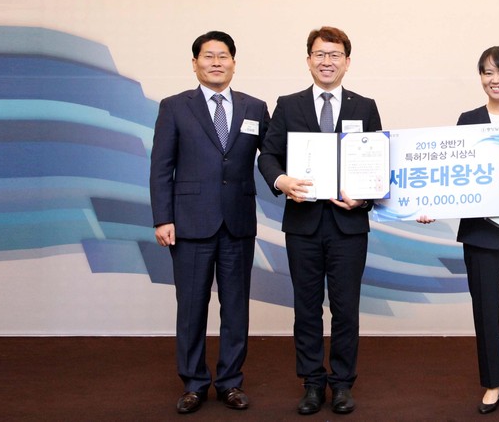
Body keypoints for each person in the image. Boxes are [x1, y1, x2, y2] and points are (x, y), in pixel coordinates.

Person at [257, 26, 382, 415]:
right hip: (303, 225)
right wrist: (281, 181)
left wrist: (364, 197)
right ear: (309, 59)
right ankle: (312, 383)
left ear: (347, 61)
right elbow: (268, 155)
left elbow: (378, 162)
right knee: (306, 308)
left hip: (349, 226)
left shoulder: (365, 107)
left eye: (335, 55)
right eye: (320, 54)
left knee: (346, 309)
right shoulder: (288, 104)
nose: (327, 61)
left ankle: (342, 384)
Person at [418, 46, 499, 417]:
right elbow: (452, 173)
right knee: (485, 310)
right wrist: (431, 206)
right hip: (479, 233)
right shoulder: (468, 120)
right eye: (488, 72)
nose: (495, 79)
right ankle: (492, 384)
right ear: (481, 77)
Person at [149, 31, 269, 414]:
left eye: (223, 56)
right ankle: (194, 383)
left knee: (235, 308)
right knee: (191, 307)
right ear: (195, 63)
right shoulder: (174, 107)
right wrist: (163, 218)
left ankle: (231, 382)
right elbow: (161, 167)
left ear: (234, 63)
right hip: (189, 223)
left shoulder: (255, 107)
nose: (216, 62)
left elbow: (273, 157)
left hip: (238, 223)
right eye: (208, 56)